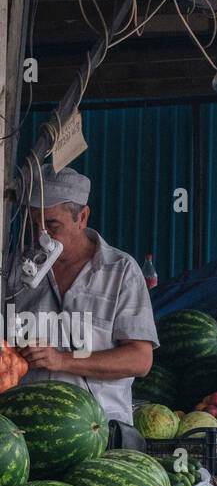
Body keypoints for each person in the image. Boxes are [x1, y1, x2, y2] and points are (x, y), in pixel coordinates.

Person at [10, 165, 157, 428]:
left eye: (52, 225)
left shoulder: (121, 271)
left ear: (82, 217)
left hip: (99, 431)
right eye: (34, 225)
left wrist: (62, 360)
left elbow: (140, 359)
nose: (41, 236)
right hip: (27, 428)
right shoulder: (14, 270)